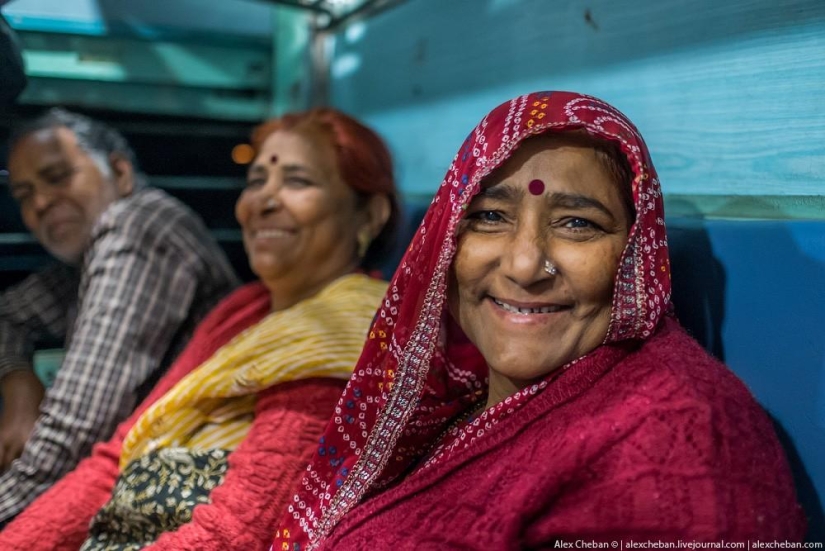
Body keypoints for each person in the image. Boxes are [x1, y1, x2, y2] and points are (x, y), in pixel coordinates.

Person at [273, 91, 805, 550]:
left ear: (636, 255)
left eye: (577, 223)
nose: (525, 266)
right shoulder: (450, 398)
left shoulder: (678, 441)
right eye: (490, 217)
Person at [0, 107, 399, 550]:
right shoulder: (241, 311)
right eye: (256, 182)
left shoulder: (347, 329)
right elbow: (116, 455)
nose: (263, 201)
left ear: (370, 215)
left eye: (297, 181)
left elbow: (240, 529)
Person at [0, 108, 238, 524]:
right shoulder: (84, 260)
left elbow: (76, 426)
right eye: (24, 194)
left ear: (121, 172)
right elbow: (7, 315)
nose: (40, 202)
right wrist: (19, 385)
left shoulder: (138, 227)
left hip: (198, 481)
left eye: (57, 177)